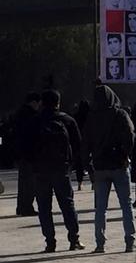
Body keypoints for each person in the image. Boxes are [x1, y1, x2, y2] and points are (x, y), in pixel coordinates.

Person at [81, 85, 136, 254]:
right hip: (119, 164)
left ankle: (100, 244)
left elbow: (85, 144)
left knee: (100, 208)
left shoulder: (91, 117)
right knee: (126, 204)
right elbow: (130, 135)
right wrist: (126, 155)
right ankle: (129, 241)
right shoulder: (120, 114)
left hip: (100, 167)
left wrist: (88, 167)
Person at [30, 89, 84, 253]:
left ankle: (50, 242)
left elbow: (26, 145)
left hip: (40, 171)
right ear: (58, 103)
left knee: (44, 208)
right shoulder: (67, 120)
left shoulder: (35, 121)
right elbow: (78, 144)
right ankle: (74, 239)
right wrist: (70, 163)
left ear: (42, 103)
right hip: (61, 169)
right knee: (67, 205)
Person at [14, 93, 41, 216]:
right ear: (34, 102)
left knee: (23, 182)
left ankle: (21, 207)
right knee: (30, 183)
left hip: (21, 153)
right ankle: (27, 207)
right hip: (30, 153)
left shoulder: (18, 114)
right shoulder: (32, 116)